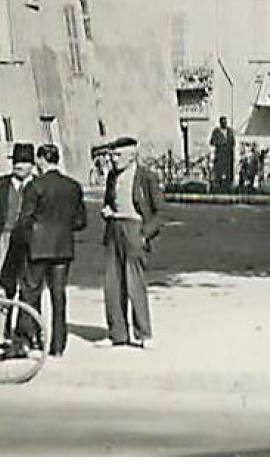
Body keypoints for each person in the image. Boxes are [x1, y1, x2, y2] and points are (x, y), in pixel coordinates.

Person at [17, 143, 87, 356]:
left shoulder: (35, 186)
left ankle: (29, 339)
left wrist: (30, 239)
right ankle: (58, 345)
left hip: (37, 249)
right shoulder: (73, 186)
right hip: (62, 248)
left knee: (30, 294)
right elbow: (80, 221)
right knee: (59, 296)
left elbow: (24, 220)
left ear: (41, 160)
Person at [97, 135, 163, 349]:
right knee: (112, 284)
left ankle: (143, 333)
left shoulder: (147, 177)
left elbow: (159, 212)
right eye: (112, 155)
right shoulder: (112, 177)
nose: (113, 159)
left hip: (135, 229)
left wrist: (145, 235)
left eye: (118, 155)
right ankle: (117, 334)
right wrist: (107, 211)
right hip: (114, 228)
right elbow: (109, 200)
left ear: (132, 156)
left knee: (135, 283)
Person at [0, 142, 37, 301]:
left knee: (29, 285)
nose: (19, 166)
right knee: (3, 285)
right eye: (16, 162)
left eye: (24, 162)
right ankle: (3, 323)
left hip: (30, 241)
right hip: (4, 238)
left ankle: (27, 324)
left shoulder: (39, 185)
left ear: (32, 165)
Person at [208, 116, 235, 191]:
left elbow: (233, 142)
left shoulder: (230, 131)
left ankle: (228, 185)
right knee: (219, 170)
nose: (224, 123)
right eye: (223, 122)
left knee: (228, 171)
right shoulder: (216, 131)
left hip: (228, 154)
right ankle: (218, 185)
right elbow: (212, 142)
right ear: (220, 123)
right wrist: (220, 143)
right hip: (219, 154)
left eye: (225, 122)